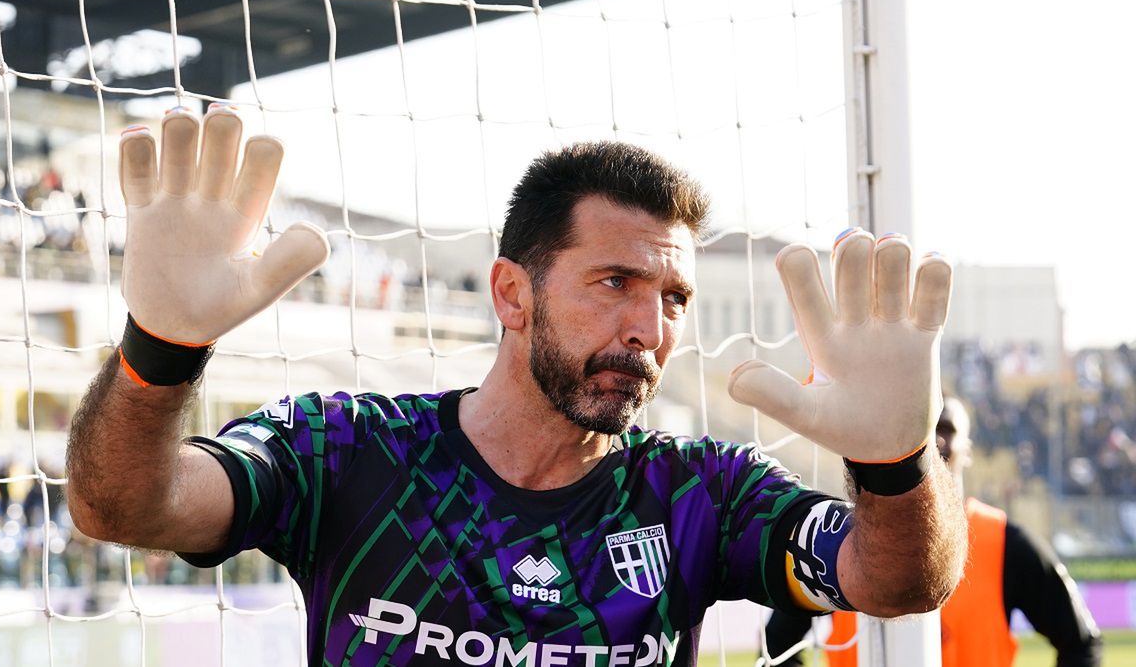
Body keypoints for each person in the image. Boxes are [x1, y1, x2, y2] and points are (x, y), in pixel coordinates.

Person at [66, 106, 967, 666]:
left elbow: (894, 581)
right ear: (511, 293)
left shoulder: (699, 495)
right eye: (615, 282)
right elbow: (123, 507)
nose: (649, 330)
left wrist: (897, 466)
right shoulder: (350, 449)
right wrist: (160, 352)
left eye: (674, 297)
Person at [763, 397, 1103, 667]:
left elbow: (1082, 644)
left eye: (947, 427)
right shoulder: (836, 538)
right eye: (922, 424)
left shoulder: (1006, 544)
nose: (933, 438)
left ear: (967, 450)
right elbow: (778, 645)